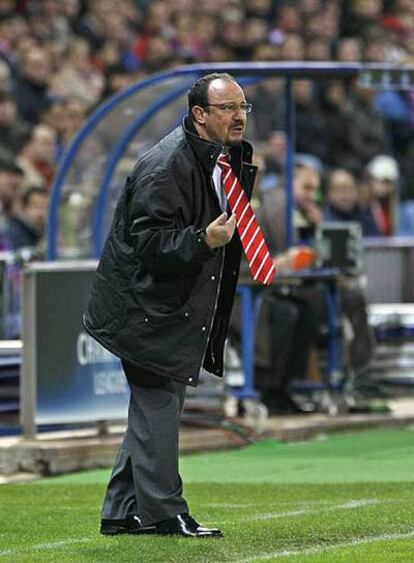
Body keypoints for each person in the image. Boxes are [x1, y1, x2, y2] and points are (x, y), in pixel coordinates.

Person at [83, 73, 258, 538]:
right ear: (200, 115)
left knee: (153, 411)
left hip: (166, 305)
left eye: (243, 107)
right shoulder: (167, 167)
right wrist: (204, 240)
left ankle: (121, 511)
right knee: (158, 406)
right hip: (143, 308)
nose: (239, 116)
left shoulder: (221, 157)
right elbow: (150, 243)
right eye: (228, 108)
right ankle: (165, 512)